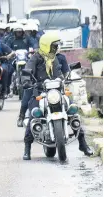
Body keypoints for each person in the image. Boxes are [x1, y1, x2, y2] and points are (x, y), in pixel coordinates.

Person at [22, 32, 93, 160]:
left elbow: (63, 73)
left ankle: (83, 145)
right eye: (54, 46)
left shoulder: (56, 58)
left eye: (56, 46)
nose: (56, 48)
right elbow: (28, 69)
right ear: (46, 45)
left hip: (57, 92)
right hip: (40, 92)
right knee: (34, 114)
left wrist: (67, 78)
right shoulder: (35, 58)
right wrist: (26, 80)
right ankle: (27, 148)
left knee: (72, 111)